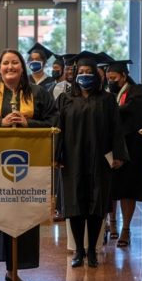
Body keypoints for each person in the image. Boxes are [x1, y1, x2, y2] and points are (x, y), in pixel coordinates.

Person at [0, 49, 58, 281]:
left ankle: (14, 269)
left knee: (19, 211)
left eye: (14, 63)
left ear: (22, 66)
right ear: (0, 67)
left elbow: (54, 122)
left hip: (25, 166)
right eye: (6, 63)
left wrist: (29, 123)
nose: (10, 67)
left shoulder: (36, 93)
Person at [55, 50, 129, 268]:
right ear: (75, 73)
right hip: (72, 158)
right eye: (81, 71)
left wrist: (119, 155)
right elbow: (58, 129)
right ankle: (78, 250)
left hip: (100, 159)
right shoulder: (65, 99)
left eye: (89, 72)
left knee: (96, 205)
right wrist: (56, 155)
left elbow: (117, 129)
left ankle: (92, 251)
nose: (84, 75)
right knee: (75, 204)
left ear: (97, 76)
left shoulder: (107, 100)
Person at [106, 60, 142, 247]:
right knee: (110, 189)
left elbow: (132, 112)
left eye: (113, 78)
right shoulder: (109, 95)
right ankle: (112, 224)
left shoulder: (138, 91)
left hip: (132, 148)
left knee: (127, 189)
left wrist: (108, 109)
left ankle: (126, 229)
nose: (110, 82)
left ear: (123, 76)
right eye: (108, 78)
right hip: (111, 147)